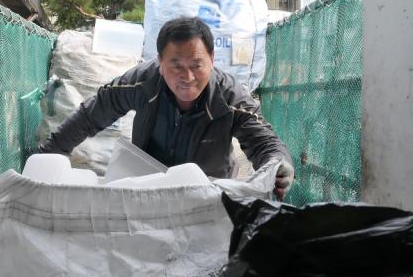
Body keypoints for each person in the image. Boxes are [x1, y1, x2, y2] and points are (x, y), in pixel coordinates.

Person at [39, 16, 294, 198]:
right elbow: (91, 115)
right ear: (160, 61)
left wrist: (279, 165)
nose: (188, 77)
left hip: (207, 192)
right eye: (176, 66)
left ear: (212, 59)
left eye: (196, 65)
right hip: (147, 186)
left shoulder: (231, 98)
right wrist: (50, 154)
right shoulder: (141, 83)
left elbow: (266, 144)